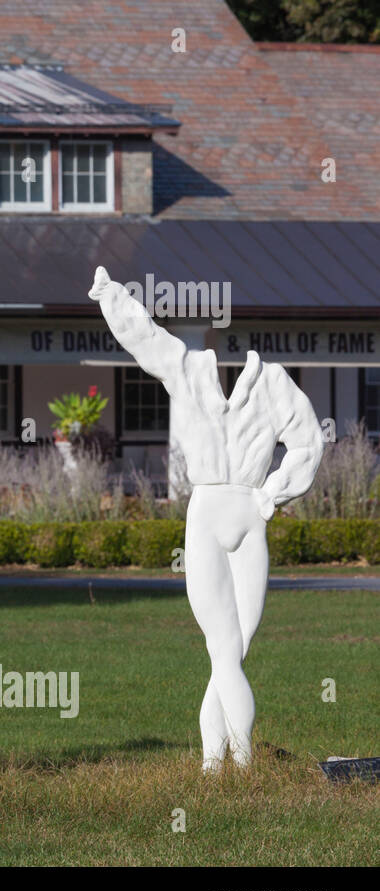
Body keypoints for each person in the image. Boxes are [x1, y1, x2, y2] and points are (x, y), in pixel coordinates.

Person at [89, 266, 323, 771]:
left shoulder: (273, 382)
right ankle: (232, 767)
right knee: (225, 651)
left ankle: (216, 768)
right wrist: (111, 296)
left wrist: (273, 493)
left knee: (231, 652)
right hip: (209, 514)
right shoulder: (191, 371)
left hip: (249, 511)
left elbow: (309, 441)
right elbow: (144, 336)